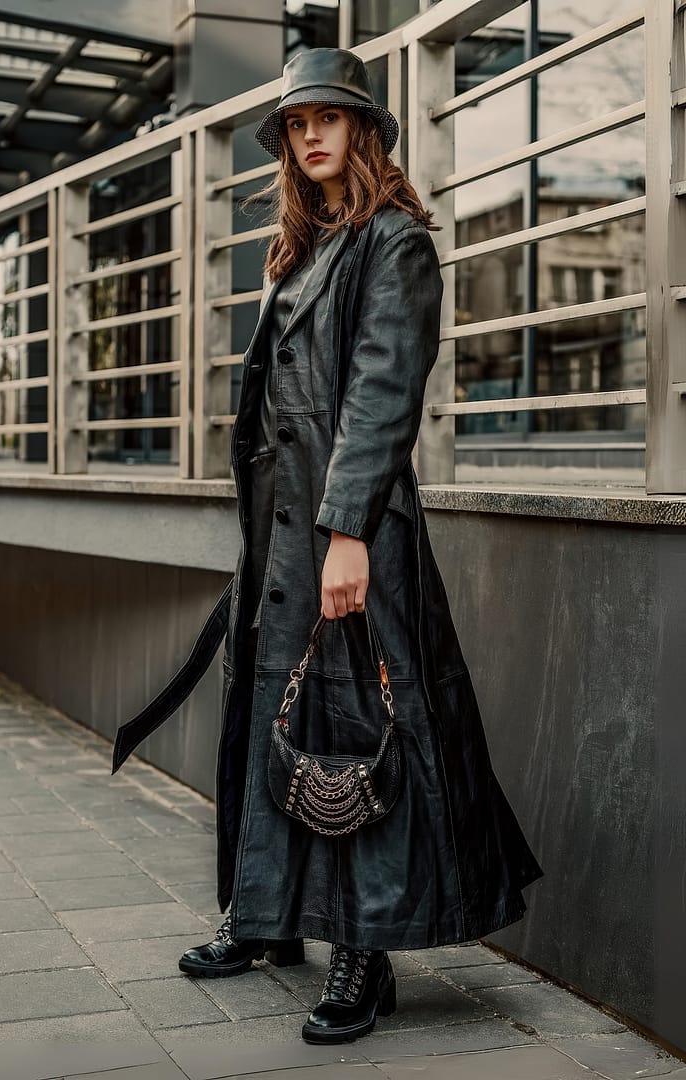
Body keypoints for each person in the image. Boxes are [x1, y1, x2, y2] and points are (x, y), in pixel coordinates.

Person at [177, 47, 544, 1045]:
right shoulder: (302, 250)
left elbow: (382, 397)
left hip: (349, 535)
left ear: (365, 129)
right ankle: (264, 921)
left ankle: (363, 956)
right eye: (297, 125)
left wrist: (347, 534)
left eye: (326, 118)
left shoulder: (395, 245)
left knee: (352, 736)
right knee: (271, 726)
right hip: (280, 539)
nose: (309, 134)